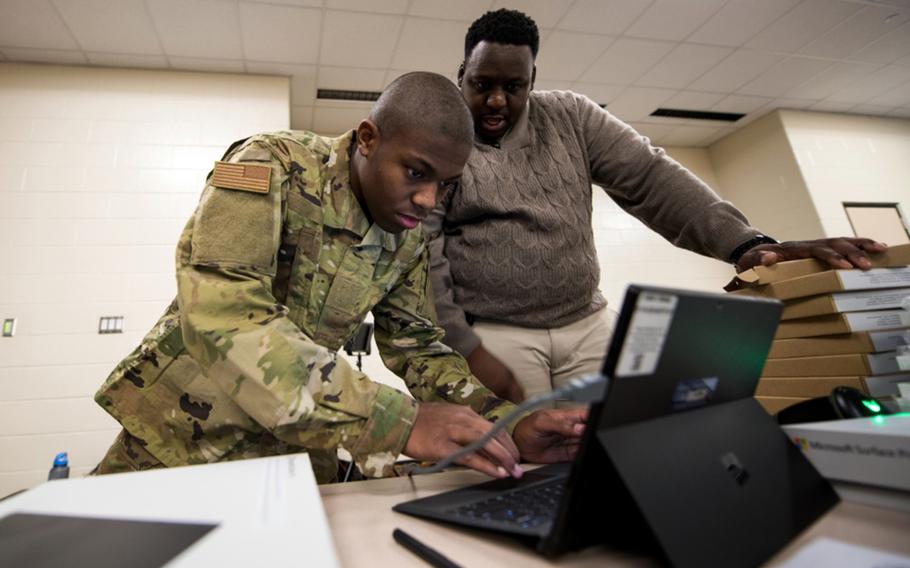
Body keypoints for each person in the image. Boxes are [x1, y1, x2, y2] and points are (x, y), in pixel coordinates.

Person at [91, 72, 585, 484]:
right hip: (181, 440)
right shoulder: (270, 164)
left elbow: (418, 347)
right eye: (416, 173)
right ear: (368, 139)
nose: (429, 200)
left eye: (444, 184)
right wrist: (396, 422)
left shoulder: (407, 234)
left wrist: (505, 424)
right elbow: (225, 317)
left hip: (295, 454)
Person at [425, 9, 888, 405]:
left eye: (514, 86)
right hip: (497, 333)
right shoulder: (440, 138)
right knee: (522, 453)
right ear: (461, 72)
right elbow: (425, 254)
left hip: (586, 324)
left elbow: (652, 178)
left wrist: (745, 244)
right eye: (482, 84)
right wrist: (462, 343)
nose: (497, 101)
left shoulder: (571, 116)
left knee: (610, 443)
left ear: (533, 81)